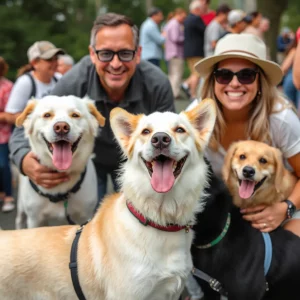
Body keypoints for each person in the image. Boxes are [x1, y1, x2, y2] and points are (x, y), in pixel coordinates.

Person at [9, 13, 175, 205]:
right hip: (91, 161)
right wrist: (23, 160)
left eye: (125, 53)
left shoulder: (157, 84)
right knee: (91, 223)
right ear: (92, 54)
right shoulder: (74, 81)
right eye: (105, 53)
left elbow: (172, 139)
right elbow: (26, 124)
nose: (115, 63)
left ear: (138, 54)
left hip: (138, 163)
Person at [189, 33, 300, 299]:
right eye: (225, 75)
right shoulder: (195, 120)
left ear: (260, 80)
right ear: (213, 80)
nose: (235, 84)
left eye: (246, 75)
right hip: (223, 215)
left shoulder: (281, 118)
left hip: (279, 203)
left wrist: (285, 209)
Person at [5, 41, 65, 123]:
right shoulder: (25, 82)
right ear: (34, 63)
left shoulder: (59, 79)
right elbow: (10, 115)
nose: (55, 63)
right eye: (49, 59)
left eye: (56, 59)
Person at [182, 0, 206, 100]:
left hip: (188, 51)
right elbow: (205, 30)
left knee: (193, 72)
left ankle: (185, 84)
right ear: (197, 9)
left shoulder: (187, 19)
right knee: (197, 73)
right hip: (197, 51)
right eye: (201, 9)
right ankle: (192, 94)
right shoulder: (196, 19)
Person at [0, 57, 15, 212]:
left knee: (3, 165)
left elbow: (10, 113)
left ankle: (9, 195)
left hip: (2, 134)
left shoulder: (7, 86)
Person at [164, 8, 187, 99]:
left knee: (172, 74)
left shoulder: (170, 23)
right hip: (176, 53)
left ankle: (172, 92)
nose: (184, 19)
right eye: (183, 17)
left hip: (171, 53)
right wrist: (185, 38)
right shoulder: (175, 24)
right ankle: (174, 93)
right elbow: (175, 38)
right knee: (177, 74)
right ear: (179, 14)